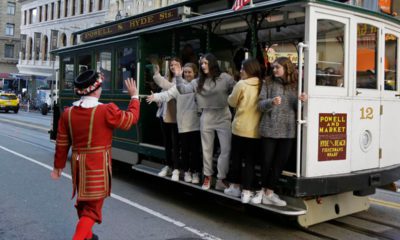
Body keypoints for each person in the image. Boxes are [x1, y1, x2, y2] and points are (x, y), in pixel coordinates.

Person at [51, 70, 140, 240]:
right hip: (97, 164)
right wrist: (134, 97)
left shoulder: (68, 113)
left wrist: (58, 167)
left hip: (78, 164)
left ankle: (89, 237)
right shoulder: (107, 110)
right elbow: (130, 119)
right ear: (97, 89)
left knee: (83, 203)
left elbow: (62, 142)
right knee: (92, 209)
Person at [251, 57, 307, 207]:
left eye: (277, 67)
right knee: (266, 162)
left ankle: (269, 192)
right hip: (269, 128)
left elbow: (297, 108)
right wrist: (271, 102)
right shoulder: (268, 82)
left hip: (288, 130)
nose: (274, 70)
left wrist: (302, 101)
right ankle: (261, 191)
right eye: (274, 67)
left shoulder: (296, 85)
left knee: (279, 163)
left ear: (286, 68)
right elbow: (259, 105)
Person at [176, 53, 236, 190]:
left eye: (205, 63)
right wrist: (178, 76)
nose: (203, 66)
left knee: (226, 149)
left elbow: (238, 90)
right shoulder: (198, 81)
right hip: (207, 115)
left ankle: (221, 178)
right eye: (201, 63)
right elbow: (182, 90)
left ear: (212, 63)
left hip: (223, 114)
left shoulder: (225, 78)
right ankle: (207, 177)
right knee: (207, 149)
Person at [146, 63, 202, 183]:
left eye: (189, 72)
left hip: (196, 123)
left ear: (195, 73)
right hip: (183, 123)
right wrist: (155, 97)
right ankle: (186, 171)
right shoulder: (178, 86)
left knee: (195, 150)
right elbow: (167, 95)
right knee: (185, 150)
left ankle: (195, 172)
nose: (187, 74)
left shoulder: (198, 84)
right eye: (185, 72)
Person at [224, 58, 262, 203]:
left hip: (240, 128)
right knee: (250, 162)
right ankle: (247, 192)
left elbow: (232, 102)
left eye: (242, 69)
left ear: (249, 70)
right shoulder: (262, 83)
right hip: (256, 131)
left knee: (237, 160)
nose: (240, 71)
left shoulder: (241, 84)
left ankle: (234, 187)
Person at [152, 57, 181, 181]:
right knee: (168, 143)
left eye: (175, 65)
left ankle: (176, 168)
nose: (172, 67)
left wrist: (157, 74)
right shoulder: (168, 77)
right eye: (171, 65)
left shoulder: (180, 79)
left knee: (175, 143)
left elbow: (168, 87)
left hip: (175, 117)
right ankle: (169, 166)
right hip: (164, 115)